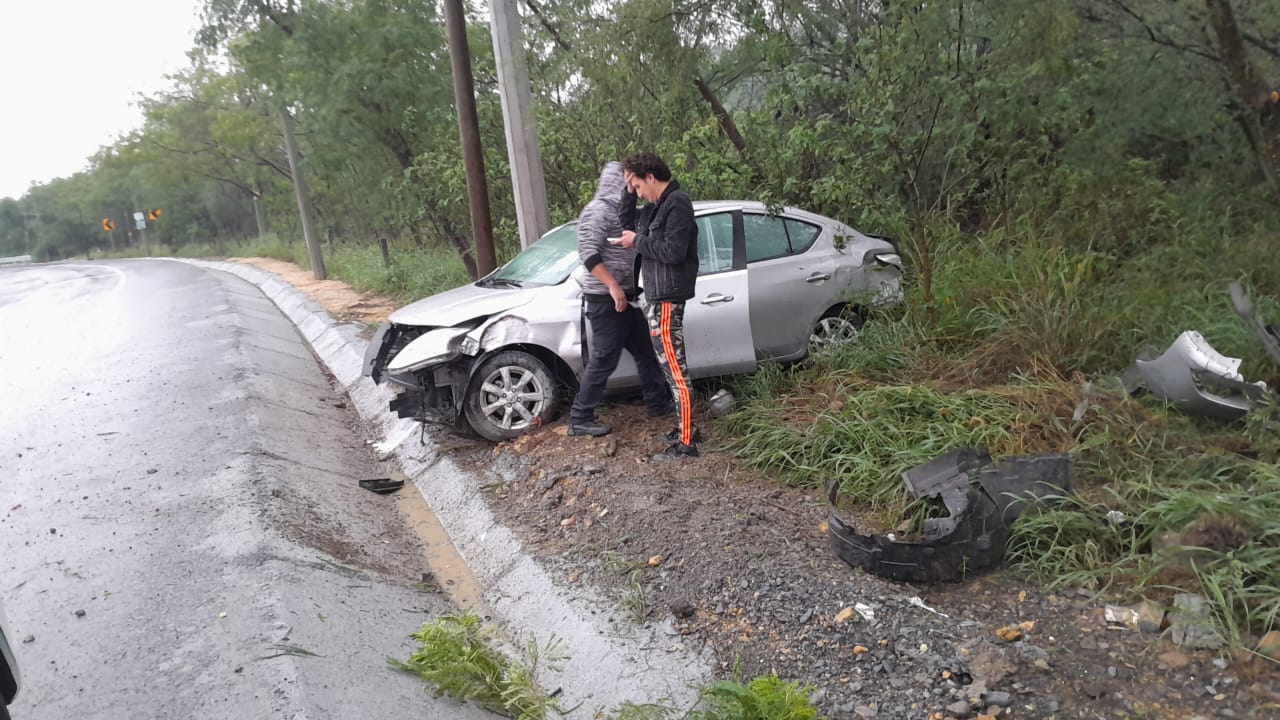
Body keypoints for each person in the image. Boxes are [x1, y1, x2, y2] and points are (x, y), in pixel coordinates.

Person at [567, 162, 675, 437]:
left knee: (646, 351)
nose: (632, 187)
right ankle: (580, 417)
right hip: (606, 298)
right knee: (604, 358)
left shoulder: (623, 209)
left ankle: (658, 405)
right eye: (627, 182)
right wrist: (613, 286)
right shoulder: (597, 211)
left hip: (627, 298)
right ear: (617, 181)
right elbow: (588, 254)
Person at [617, 152, 700, 459]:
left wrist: (637, 242)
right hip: (657, 294)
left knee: (676, 372)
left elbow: (674, 251)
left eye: (637, 186)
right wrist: (627, 192)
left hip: (667, 296)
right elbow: (626, 223)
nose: (636, 192)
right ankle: (685, 427)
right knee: (672, 368)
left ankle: (687, 442)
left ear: (650, 177)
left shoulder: (677, 203)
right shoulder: (656, 207)